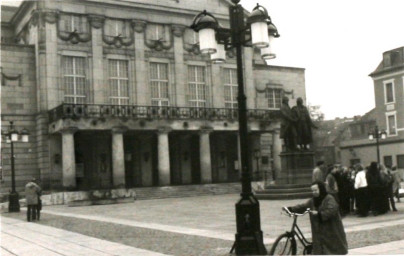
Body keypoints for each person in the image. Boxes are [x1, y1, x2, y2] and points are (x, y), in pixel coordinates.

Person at [285, 182, 348, 255]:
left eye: (315, 190)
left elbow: (332, 210)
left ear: (321, 189)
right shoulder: (313, 201)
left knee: (332, 249)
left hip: (331, 229)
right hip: (319, 230)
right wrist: (290, 209)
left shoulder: (329, 198)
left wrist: (319, 214)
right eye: (312, 190)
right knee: (321, 248)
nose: (314, 192)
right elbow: (303, 206)